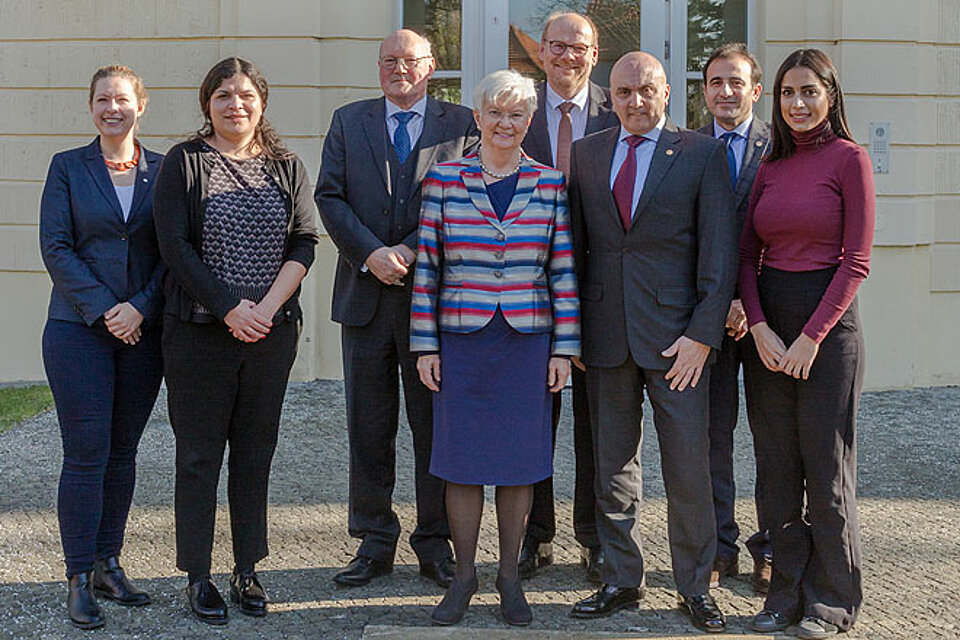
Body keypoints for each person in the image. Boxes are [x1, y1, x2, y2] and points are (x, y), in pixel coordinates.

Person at [567, 51, 735, 633]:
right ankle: (620, 577)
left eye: (645, 90)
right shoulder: (586, 154)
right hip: (605, 337)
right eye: (623, 92)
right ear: (608, 96)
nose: (635, 102)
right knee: (612, 467)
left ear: (667, 93)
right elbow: (575, 253)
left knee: (689, 468)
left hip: (678, 345)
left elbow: (719, 256)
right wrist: (574, 332)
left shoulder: (702, 154)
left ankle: (695, 585)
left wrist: (702, 337)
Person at [410, 69, 579, 627]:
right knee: (460, 463)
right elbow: (428, 269)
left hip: (527, 342)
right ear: (477, 117)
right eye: (495, 113)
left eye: (517, 115)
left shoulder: (550, 183)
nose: (505, 124)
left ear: (529, 121)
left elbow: (561, 272)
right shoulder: (444, 180)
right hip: (461, 341)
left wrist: (563, 349)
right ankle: (464, 576)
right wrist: (425, 345)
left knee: (518, 463)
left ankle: (509, 576)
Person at [153, 57, 318, 625]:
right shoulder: (184, 162)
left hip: (270, 333)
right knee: (199, 456)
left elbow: (304, 242)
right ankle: (197, 574)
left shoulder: (287, 165)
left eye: (245, 94)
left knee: (255, 453)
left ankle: (248, 567)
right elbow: (173, 246)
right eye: (223, 94)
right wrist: (228, 307)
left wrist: (265, 310)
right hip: (199, 335)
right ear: (208, 104)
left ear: (261, 102)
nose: (235, 104)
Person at [315, 29, 478, 589]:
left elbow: (464, 199)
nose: (399, 69)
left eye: (410, 60)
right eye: (389, 60)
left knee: (433, 426)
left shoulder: (461, 125)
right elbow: (328, 196)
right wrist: (371, 253)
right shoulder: (348, 119)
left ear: (432, 66)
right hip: (364, 297)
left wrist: (408, 249)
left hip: (433, 300)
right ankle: (374, 538)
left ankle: (435, 542)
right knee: (369, 424)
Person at [741, 49, 873, 639]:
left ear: (830, 96)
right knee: (775, 467)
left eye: (809, 92)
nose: (797, 104)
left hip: (828, 330)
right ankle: (783, 593)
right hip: (769, 328)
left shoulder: (850, 160)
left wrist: (812, 337)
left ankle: (833, 598)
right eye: (788, 94)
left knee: (825, 466)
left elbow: (856, 262)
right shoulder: (769, 166)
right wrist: (764, 328)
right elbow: (747, 256)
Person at [39, 65, 164, 630]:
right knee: (86, 452)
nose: (112, 108)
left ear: (141, 104)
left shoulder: (165, 171)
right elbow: (56, 247)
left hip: (143, 329)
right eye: (102, 99)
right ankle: (77, 577)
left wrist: (138, 306)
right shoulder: (67, 167)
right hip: (78, 329)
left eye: (122, 98)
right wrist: (108, 310)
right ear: (90, 107)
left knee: (123, 451)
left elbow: (173, 251)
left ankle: (109, 562)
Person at [518, 10, 618, 582]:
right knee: (535, 418)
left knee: (597, 423)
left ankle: (595, 536)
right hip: (530, 291)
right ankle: (535, 535)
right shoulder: (518, 108)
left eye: (577, 47)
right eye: (556, 46)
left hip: (603, 294)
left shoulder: (620, 106)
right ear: (542, 52)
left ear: (594, 52)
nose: (566, 56)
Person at [696, 42, 773, 594]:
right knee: (711, 438)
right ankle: (720, 545)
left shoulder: (782, 146)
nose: (726, 92)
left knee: (774, 438)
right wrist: (717, 303)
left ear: (755, 89)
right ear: (704, 91)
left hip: (771, 314)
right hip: (709, 320)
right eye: (716, 82)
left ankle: (773, 546)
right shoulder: (685, 147)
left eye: (736, 82)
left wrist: (747, 300)